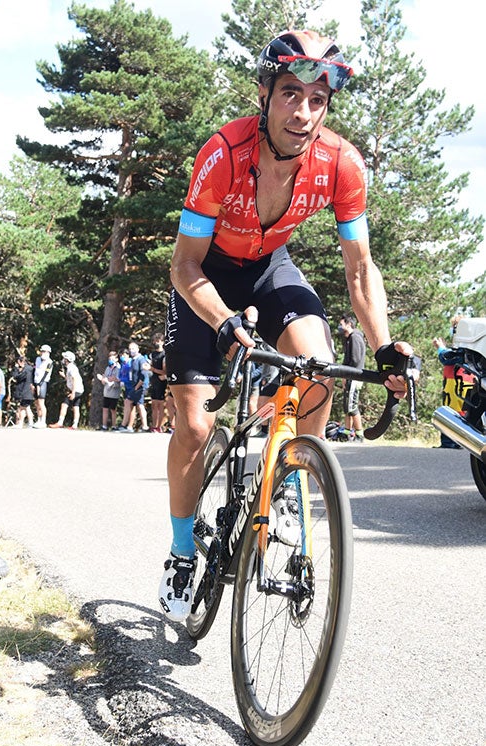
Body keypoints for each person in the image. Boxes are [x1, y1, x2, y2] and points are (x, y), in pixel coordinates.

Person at [158, 30, 411, 622]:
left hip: (271, 266)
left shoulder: (341, 163)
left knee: (318, 366)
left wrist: (385, 347)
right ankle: (180, 548)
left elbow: (360, 268)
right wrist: (221, 321)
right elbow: (183, 265)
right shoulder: (223, 154)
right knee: (195, 424)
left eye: (317, 100)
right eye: (290, 94)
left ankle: (288, 480)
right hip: (208, 274)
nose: (302, 113)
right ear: (266, 93)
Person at [432, 315, 474, 448]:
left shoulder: (465, 350)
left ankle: (451, 443)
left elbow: (446, 357)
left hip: (460, 389)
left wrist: (440, 348)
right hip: (452, 389)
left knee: (455, 415)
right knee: (451, 413)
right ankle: (450, 443)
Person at [337, 313, 366, 442]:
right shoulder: (351, 338)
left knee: (352, 406)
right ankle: (347, 433)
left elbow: (355, 359)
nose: (340, 327)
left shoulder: (355, 337)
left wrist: (347, 373)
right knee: (347, 406)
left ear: (349, 324)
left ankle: (359, 435)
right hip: (349, 376)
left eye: (341, 324)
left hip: (354, 377)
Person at [117, 342, 150, 433]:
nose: (132, 351)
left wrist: (137, 386)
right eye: (130, 349)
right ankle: (143, 426)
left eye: (133, 349)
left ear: (138, 349)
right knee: (139, 405)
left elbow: (144, 374)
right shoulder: (133, 360)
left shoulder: (141, 359)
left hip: (140, 386)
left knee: (129, 402)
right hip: (134, 386)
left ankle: (124, 425)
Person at [49, 351, 84, 430]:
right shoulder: (71, 367)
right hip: (79, 389)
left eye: (64, 358)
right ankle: (75, 425)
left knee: (64, 404)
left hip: (76, 390)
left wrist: (73, 393)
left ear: (67, 359)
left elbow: (74, 380)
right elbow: (70, 379)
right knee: (76, 406)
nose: (63, 360)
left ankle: (60, 422)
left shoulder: (71, 368)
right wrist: (64, 376)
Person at [96, 351, 121, 430]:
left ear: (116, 359)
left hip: (114, 392)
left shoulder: (118, 368)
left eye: (112, 358)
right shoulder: (107, 368)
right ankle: (104, 426)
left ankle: (114, 426)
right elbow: (105, 378)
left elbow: (117, 379)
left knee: (113, 409)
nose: (111, 360)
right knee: (105, 409)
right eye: (109, 358)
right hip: (106, 392)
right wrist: (103, 380)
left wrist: (111, 380)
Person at [148, 333, 167, 433]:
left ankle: (160, 426)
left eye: (158, 341)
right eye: (155, 341)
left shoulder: (164, 354)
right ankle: (154, 425)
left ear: (162, 342)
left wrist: (152, 369)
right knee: (154, 405)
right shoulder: (152, 354)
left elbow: (164, 372)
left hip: (161, 381)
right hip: (154, 381)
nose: (156, 343)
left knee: (160, 405)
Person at [10, 355, 35, 428]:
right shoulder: (30, 369)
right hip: (28, 391)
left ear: (19, 362)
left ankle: (26, 423)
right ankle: (26, 423)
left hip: (25, 391)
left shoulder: (26, 370)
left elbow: (17, 377)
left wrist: (16, 368)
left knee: (23, 408)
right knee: (26, 407)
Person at [33, 344, 53, 428]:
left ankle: (43, 421)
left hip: (43, 382)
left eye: (44, 351)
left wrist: (39, 384)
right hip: (36, 381)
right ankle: (39, 419)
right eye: (42, 351)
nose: (42, 353)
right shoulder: (37, 359)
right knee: (36, 403)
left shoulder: (50, 362)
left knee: (41, 402)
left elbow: (46, 374)